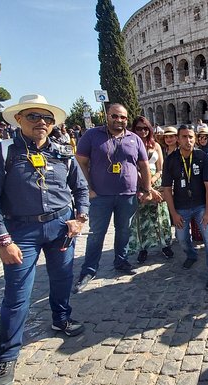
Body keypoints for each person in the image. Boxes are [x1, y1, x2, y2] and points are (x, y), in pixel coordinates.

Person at [0, 94, 89, 385]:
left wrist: (81, 218)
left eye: (48, 118)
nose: (42, 123)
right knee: (17, 294)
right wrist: (3, 240)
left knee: (63, 278)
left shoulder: (63, 152)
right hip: (20, 232)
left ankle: (61, 319)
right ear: (18, 120)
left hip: (60, 227)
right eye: (34, 117)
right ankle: (8, 355)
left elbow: (80, 188)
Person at [74, 103, 152, 293]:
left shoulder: (134, 139)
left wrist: (147, 189)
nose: (119, 120)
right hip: (100, 195)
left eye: (123, 117)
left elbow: (144, 166)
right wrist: (89, 189)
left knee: (124, 231)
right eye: (115, 116)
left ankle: (121, 261)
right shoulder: (92, 135)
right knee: (96, 234)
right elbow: (80, 162)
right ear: (107, 116)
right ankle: (89, 270)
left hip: (127, 195)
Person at [161, 125, 208, 289]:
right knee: (181, 239)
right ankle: (191, 255)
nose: (188, 140)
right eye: (184, 137)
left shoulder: (203, 157)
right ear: (178, 139)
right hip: (180, 207)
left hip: (201, 206)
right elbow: (166, 188)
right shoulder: (171, 160)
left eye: (191, 137)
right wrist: (173, 213)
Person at [128, 116, 173, 262]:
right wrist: (146, 185)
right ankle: (143, 248)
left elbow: (161, 168)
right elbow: (132, 168)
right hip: (138, 183)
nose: (142, 131)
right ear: (134, 129)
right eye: (139, 128)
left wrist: (153, 181)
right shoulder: (130, 145)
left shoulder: (156, 146)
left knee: (160, 215)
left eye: (145, 128)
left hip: (156, 182)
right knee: (142, 217)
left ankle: (165, 245)